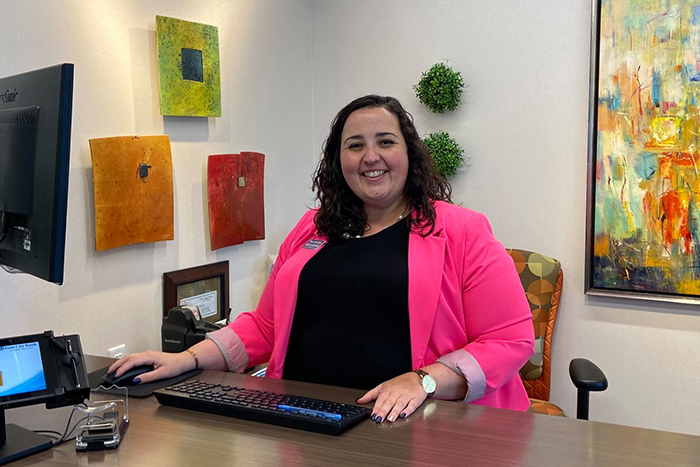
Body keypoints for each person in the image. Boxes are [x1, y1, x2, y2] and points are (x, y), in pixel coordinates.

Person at [109, 95, 535, 423]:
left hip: (417, 427)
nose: (371, 156)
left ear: (409, 153)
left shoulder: (461, 230)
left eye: (385, 141)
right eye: (355, 145)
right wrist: (186, 359)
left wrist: (424, 380)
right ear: (338, 161)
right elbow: (265, 325)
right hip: (306, 420)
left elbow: (509, 340)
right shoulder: (312, 228)